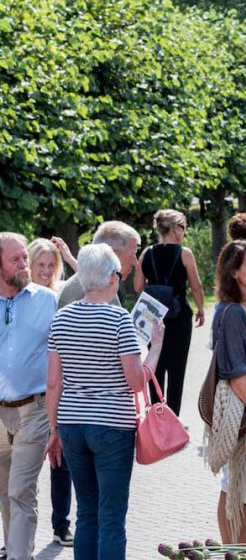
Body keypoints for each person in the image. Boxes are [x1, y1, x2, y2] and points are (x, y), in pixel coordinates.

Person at [45, 243, 164, 560]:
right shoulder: (119, 320)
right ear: (112, 277)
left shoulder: (61, 319)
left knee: (86, 512)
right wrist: (156, 345)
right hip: (112, 425)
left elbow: (54, 382)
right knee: (111, 517)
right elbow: (136, 381)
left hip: (72, 424)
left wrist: (54, 428)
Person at [0, 233, 58, 560]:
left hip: (34, 412)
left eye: (25, 257)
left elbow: (62, 358)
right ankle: (16, 551)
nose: (25, 265)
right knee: (5, 495)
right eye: (16, 260)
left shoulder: (46, 301)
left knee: (22, 493)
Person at [209, 240, 246, 544]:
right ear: (233, 272)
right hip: (242, 413)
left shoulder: (244, 308)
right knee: (236, 489)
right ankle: (237, 552)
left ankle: (239, 551)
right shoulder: (231, 313)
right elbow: (235, 373)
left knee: (240, 489)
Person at [27, 238, 75, 546]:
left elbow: (94, 279)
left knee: (62, 463)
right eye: (40, 265)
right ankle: (19, 533)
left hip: (60, 391)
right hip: (29, 393)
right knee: (25, 469)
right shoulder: (16, 299)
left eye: (50, 265)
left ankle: (61, 525)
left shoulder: (62, 295)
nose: (45, 271)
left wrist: (71, 257)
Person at [134, 209, 206, 415]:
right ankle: (173, 416)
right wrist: (201, 310)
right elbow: (196, 286)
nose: (184, 232)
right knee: (177, 368)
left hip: (153, 316)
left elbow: (138, 286)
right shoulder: (184, 253)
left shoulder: (147, 252)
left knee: (155, 364)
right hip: (178, 315)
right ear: (175, 229)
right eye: (182, 227)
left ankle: (156, 412)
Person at [58, 221, 141, 309]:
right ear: (112, 253)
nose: (135, 262)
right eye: (132, 254)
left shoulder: (94, 282)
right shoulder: (97, 290)